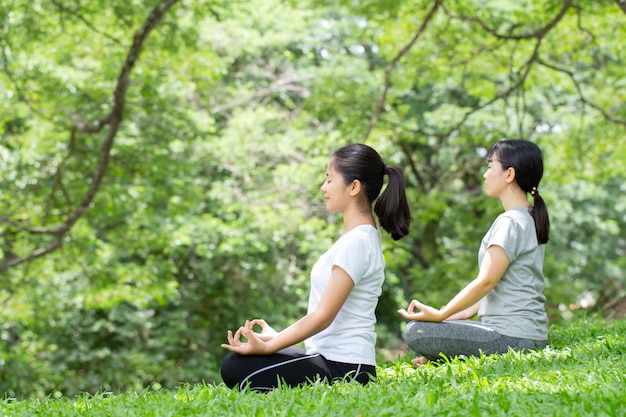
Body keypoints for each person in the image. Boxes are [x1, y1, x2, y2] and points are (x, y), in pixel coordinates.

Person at [220, 143, 411, 391]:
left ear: (354, 187)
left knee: (235, 367)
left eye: (330, 179)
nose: (323, 187)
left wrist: (269, 346)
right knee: (239, 362)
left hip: (345, 368)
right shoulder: (357, 239)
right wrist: (276, 337)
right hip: (330, 359)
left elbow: (323, 317)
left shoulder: (358, 242)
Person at [398, 139, 550, 366]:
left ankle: (445, 353)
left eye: (490, 167)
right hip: (528, 335)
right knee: (431, 329)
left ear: (509, 174)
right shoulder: (527, 218)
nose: (485, 175)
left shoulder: (509, 222)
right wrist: (447, 318)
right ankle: (445, 355)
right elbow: (489, 292)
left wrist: (440, 316)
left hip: (510, 337)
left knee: (416, 332)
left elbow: (486, 281)